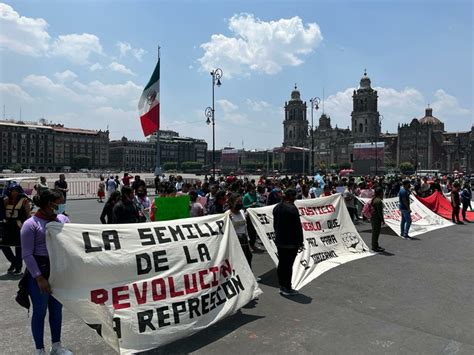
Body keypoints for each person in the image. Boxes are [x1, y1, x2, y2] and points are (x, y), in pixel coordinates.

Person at [20, 189, 72, 354]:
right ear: (50, 204)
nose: (62, 205)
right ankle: (39, 349)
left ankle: (56, 346)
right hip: (40, 272)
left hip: (59, 271)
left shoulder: (63, 219)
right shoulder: (31, 224)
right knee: (40, 311)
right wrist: (39, 278)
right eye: (60, 202)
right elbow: (27, 254)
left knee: (56, 310)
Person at [273, 188, 303, 296]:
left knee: (282, 264)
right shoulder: (292, 209)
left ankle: (282, 285)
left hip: (280, 240)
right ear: (291, 197)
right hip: (290, 242)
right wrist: (300, 241)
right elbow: (297, 227)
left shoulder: (276, 207)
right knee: (288, 265)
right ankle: (287, 287)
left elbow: (275, 225)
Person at [2, 183, 31, 274]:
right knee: (3, 245)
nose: (14, 193)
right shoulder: (6, 200)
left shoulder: (24, 200)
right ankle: (14, 262)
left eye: (16, 191)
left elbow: (28, 215)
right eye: (12, 191)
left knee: (18, 247)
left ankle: (18, 267)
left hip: (19, 226)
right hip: (7, 226)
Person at [227, 193, 253, 268]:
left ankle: (250, 276)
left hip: (244, 239)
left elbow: (245, 227)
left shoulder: (242, 212)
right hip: (235, 240)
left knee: (248, 257)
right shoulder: (227, 214)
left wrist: (248, 240)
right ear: (231, 203)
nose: (240, 203)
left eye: (241, 202)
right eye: (237, 202)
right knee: (239, 260)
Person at [370, 187, 385, 252]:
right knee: (376, 233)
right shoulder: (378, 201)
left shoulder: (374, 199)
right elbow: (380, 212)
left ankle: (375, 245)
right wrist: (382, 220)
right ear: (381, 193)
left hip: (373, 217)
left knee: (375, 232)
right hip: (376, 218)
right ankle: (374, 246)